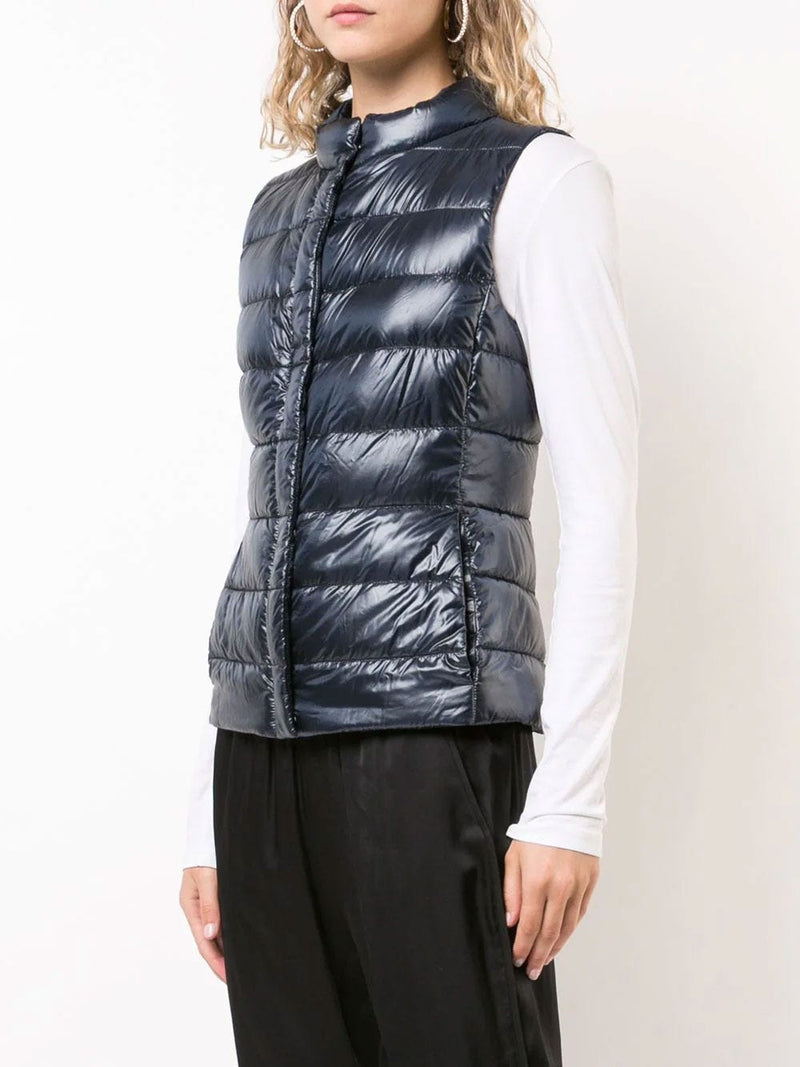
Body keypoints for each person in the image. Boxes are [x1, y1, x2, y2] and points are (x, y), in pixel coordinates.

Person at [179, 2, 640, 1064]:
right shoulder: (277, 213)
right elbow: (267, 514)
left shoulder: (537, 183)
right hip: (260, 760)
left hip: (431, 741)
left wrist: (567, 804)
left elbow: (603, 502)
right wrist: (205, 809)